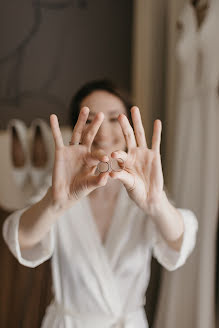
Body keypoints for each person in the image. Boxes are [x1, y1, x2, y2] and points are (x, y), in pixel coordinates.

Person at [2, 79, 198, 328]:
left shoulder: (147, 194)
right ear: (76, 129)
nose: (104, 132)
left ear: (130, 127)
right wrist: (55, 203)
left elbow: (180, 241)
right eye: (90, 120)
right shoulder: (58, 193)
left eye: (115, 119)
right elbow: (20, 239)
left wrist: (157, 204)